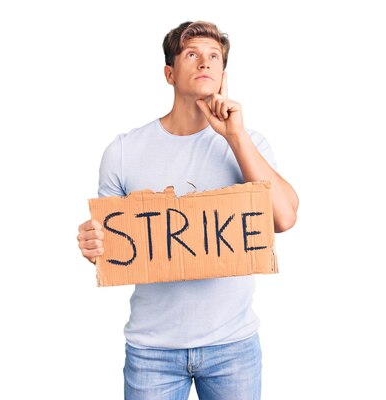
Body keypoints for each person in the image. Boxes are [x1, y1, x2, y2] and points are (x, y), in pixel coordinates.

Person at [76, 21, 298, 400]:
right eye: (192, 54)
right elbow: (114, 247)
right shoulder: (124, 151)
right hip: (153, 350)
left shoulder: (248, 142)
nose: (204, 63)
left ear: (223, 75)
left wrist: (235, 137)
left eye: (214, 57)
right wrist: (92, 244)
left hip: (233, 347)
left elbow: (284, 217)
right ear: (169, 73)